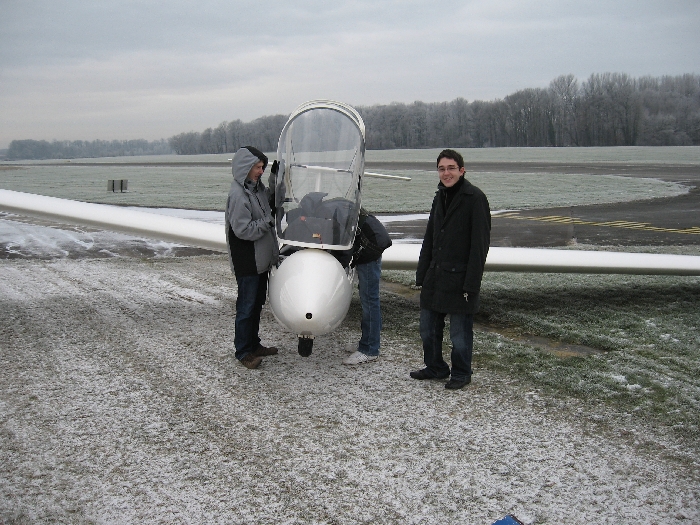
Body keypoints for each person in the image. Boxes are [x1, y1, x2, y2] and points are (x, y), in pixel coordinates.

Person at [412, 149, 491, 389]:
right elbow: (430, 237)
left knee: (460, 334)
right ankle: (436, 367)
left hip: (460, 279)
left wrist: (471, 284)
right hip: (435, 276)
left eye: (451, 168)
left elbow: (479, 246)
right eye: (442, 169)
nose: (446, 173)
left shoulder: (475, 198)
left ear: (461, 170)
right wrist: (422, 273)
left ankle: (461, 372)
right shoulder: (439, 197)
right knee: (428, 329)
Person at [225, 146, 280, 369]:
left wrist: (276, 177)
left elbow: (270, 200)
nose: (261, 171)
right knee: (246, 307)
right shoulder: (239, 195)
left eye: (263, 167)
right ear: (245, 167)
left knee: (256, 304)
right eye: (257, 167)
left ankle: (254, 345)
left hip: (260, 260)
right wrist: (268, 222)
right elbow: (243, 230)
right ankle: (243, 351)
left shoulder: (257, 189)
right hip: (247, 261)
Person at [342, 208, 392, 365]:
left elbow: (343, 248)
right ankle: (366, 342)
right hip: (367, 247)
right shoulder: (341, 210)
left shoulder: (335, 215)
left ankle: (369, 349)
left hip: (370, 253)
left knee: (370, 300)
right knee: (368, 300)